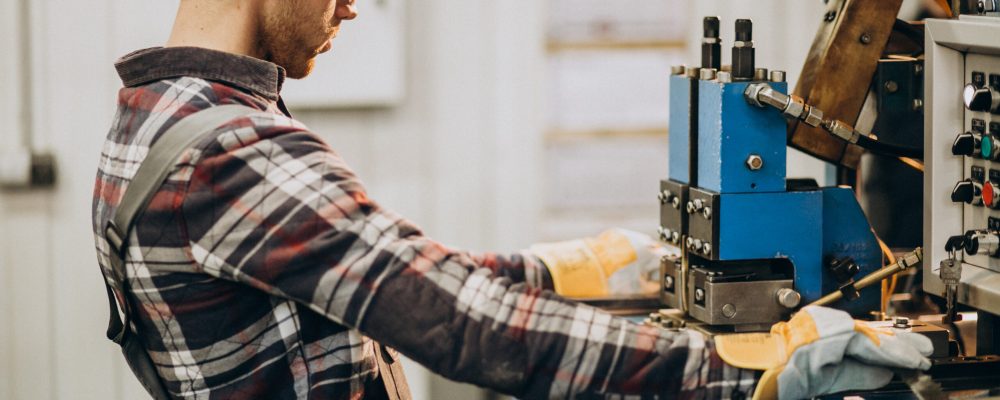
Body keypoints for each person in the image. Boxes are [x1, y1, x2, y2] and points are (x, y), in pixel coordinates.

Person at [92, 1, 932, 399]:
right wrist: (747, 370)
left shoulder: (163, 116)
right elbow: (459, 322)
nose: (353, 4)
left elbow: (391, 278)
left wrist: (568, 270)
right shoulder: (232, 152)